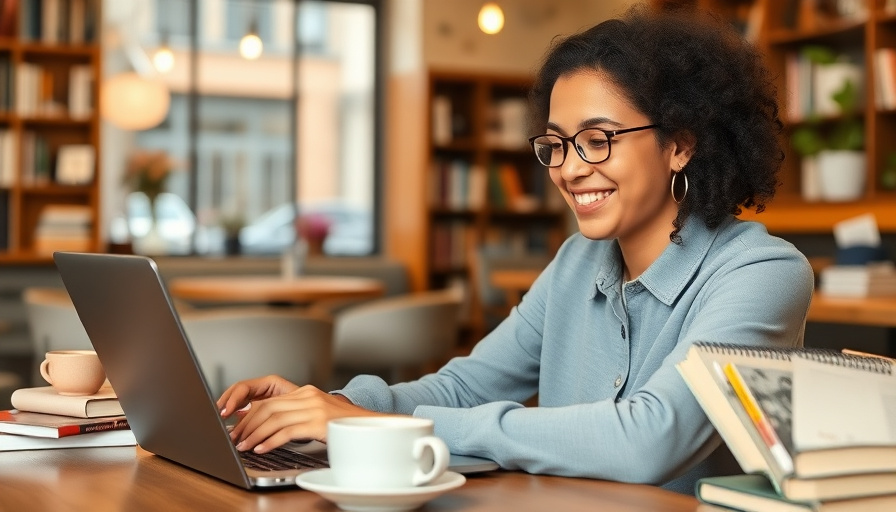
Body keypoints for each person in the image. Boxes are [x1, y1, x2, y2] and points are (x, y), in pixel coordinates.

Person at [218, 6, 814, 494]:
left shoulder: (762, 274)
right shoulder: (576, 263)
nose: (571, 169)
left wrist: (374, 426)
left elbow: (650, 440)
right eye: (556, 145)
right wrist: (333, 404)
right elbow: (466, 385)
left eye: (598, 140)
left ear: (680, 145)